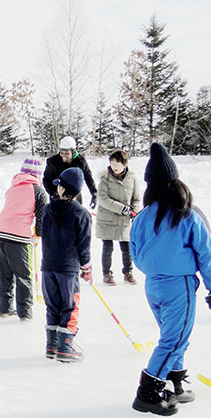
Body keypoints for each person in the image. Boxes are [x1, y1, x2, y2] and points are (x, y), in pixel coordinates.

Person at [130, 143, 211, 416]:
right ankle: (147, 392)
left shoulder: (143, 217)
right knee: (174, 340)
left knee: (172, 337)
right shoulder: (187, 215)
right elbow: (206, 252)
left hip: (153, 286)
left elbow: (135, 256)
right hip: (178, 286)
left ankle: (176, 384)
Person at [41, 167, 92, 362]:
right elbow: (84, 246)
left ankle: (52, 345)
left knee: (53, 306)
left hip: (48, 267)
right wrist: (86, 268)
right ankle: (65, 347)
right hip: (68, 269)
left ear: (62, 188)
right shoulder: (81, 213)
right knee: (70, 307)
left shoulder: (47, 209)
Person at [0, 157, 47, 321]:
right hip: (18, 238)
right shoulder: (38, 191)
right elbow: (41, 218)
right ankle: (25, 313)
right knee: (24, 277)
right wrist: (37, 236)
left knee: (4, 276)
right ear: (38, 175)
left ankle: (4, 309)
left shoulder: (11, 188)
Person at [95, 149, 142, 286]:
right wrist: (122, 208)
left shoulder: (132, 179)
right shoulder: (104, 179)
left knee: (126, 247)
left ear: (125, 164)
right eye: (112, 163)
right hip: (107, 218)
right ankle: (107, 274)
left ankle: (128, 272)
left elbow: (137, 198)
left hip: (124, 220)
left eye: (117, 163)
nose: (114, 166)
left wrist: (135, 212)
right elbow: (102, 199)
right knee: (108, 247)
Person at [42, 136, 98, 209]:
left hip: (75, 197)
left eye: (67, 154)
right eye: (62, 153)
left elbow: (88, 177)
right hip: (57, 197)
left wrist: (94, 193)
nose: (63, 156)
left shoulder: (80, 161)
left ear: (73, 152)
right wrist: (54, 194)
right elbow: (46, 180)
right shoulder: (53, 162)